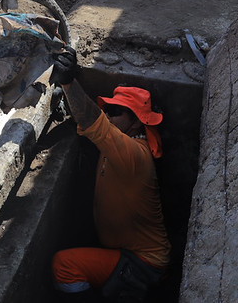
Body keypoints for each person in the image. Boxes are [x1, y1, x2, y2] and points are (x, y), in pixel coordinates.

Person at [49, 47, 171, 302]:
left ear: (137, 122)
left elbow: (94, 123)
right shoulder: (120, 142)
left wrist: (69, 82)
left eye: (116, 112)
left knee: (65, 265)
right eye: (109, 109)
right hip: (122, 248)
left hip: (143, 262)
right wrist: (67, 96)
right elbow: (90, 120)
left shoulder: (134, 155)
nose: (108, 115)